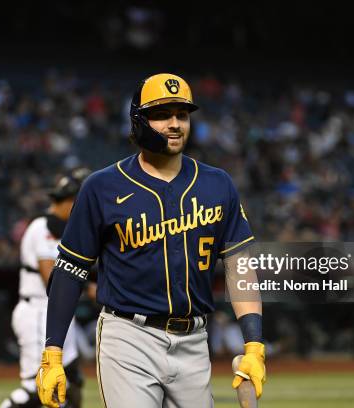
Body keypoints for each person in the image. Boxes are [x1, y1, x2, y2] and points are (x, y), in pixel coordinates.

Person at [36, 73, 266, 408]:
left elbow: (240, 268)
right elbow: (70, 271)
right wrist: (53, 352)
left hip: (194, 341)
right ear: (138, 121)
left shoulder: (218, 184)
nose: (175, 124)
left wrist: (254, 345)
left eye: (182, 115)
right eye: (162, 115)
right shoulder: (102, 187)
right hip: (129, 338)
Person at [0, 170, 90, 408]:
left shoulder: (67, 231)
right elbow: (50, 276)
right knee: (35, 390)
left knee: (70, 385)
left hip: (56, 313)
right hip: (38, 311)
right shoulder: (42, 227)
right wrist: (89, 286)